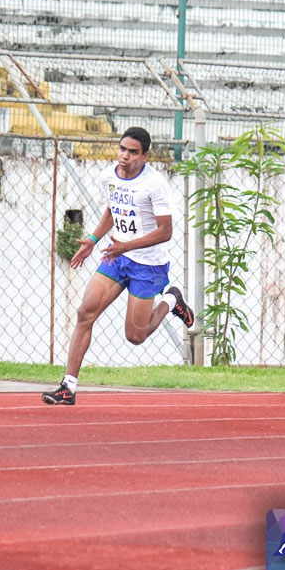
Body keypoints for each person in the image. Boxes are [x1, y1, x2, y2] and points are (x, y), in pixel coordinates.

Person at [42, 127, 194, 406]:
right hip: (117, 256)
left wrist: (127, 246)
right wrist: (92, 239)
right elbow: (113, 210)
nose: (125, 156)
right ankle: (68, 386)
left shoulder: (155, 184)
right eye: (122, 149)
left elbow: (165, 232)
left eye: (133, 152)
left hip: (147, 263)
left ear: (145, 155)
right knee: (85, 312)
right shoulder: (108, 177)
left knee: (135, 336)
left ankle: (171, 301)